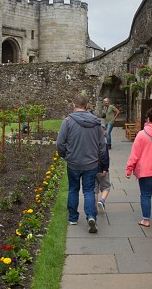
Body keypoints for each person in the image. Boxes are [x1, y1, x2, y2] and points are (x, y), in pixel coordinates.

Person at [57, 94, 108, 234]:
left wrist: (64, 155)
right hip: (91, 163)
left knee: (73, 189)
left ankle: (73, 218)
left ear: (74, 105)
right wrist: (101, 161)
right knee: (88, 190)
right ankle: (91, 216)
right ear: (86, 106)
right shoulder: (96, 123)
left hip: (73, 162)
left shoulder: (67, 122)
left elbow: (60, 143)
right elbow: (102, 146)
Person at [96, 122, 112, 212]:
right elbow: (104, 157)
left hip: (92, 168)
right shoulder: (103, 144)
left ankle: (94, 206)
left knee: (95, 189)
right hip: (101, 168)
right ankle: (102, 201)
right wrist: (105, 169)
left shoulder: (92, 142)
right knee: (106, 187)